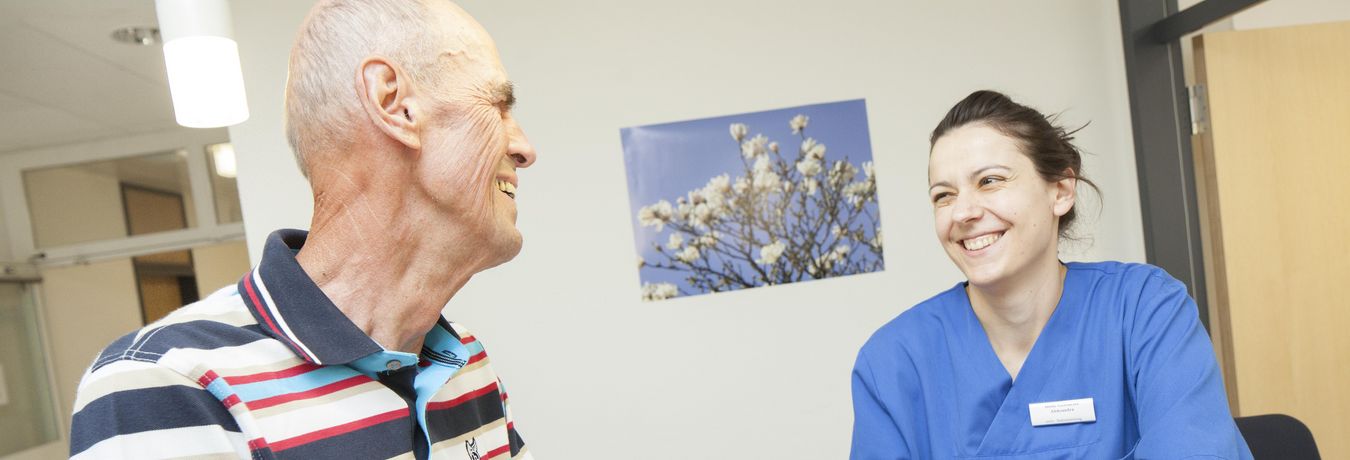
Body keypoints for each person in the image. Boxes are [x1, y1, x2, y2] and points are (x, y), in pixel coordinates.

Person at [69, 1, 537, 459]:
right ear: (392, 103)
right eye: (497, 105)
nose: (524, 148)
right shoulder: (163, 382)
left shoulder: (465, 361)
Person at [850, 90, 1252, 459]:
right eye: (944, 195)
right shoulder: (894, 362)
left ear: (1060, 190)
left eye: (989, 181)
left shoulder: (1145, 311)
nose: (963, 212)